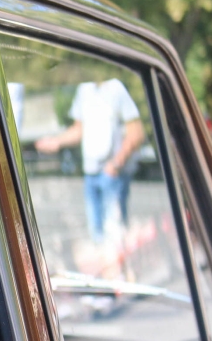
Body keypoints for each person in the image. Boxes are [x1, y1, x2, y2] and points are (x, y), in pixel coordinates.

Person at [35, 79, 146, 243]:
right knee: (96, 236)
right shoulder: (84, 89)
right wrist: (56, 142)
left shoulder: (116, 88)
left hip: (112, 174)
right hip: (90, 174)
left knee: (115, 236)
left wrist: (115, 164)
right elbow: (78, 130)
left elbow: (136, 133)